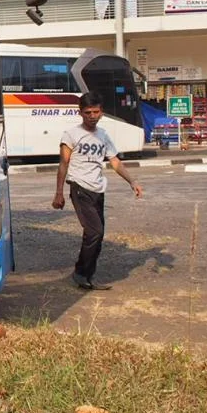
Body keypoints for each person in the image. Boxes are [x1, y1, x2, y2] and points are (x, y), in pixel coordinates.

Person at [52, 91, 143, 290]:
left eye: (96, 112)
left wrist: (132, 182)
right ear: (80, 113)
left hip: (97, 189)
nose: (92, 116)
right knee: (94, 231)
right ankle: (80, 273)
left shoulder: (103, 136)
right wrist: (59, 193)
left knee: (97, 235)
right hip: (79, 187)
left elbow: (115, 162)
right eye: (87, 112)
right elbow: (63, 164)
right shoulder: (71, 135)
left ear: (102, 113)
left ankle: (87, 276)